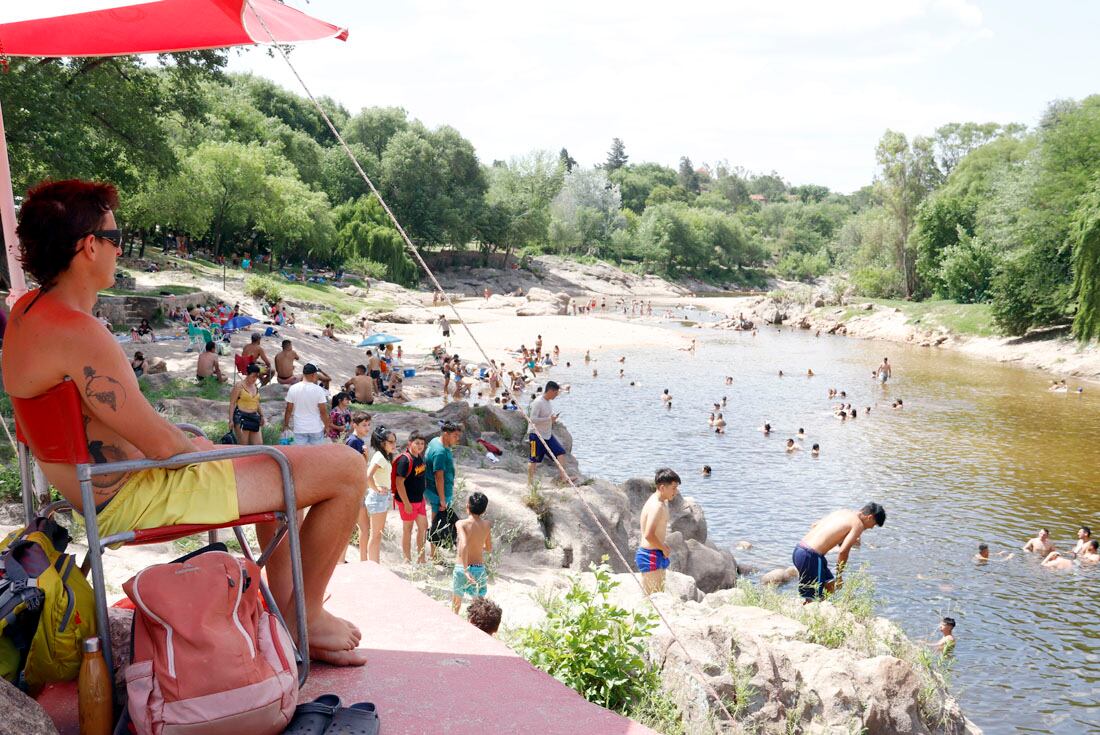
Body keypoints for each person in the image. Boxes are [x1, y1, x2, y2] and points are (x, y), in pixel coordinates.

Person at [3, 179, 367, 666]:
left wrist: (188, 441)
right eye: (115, 237)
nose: (118, 248)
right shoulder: (79, 334)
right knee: (343, 467)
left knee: (283, 473)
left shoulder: (26, 311)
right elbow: (161, 446)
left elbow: (127, 426)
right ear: (89, 247)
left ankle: (290, 607)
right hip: (132, 495)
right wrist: (207, 449)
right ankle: (308, 617)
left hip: (91, 490)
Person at [793, 503, 886, 601]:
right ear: (870, 517)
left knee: (830, 585)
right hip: (810, 556)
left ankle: (823, 606)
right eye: (874, 524)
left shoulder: (843, 512)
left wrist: (838, 539)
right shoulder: (858, 524)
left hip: (800, 550)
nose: (871, 528)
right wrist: (839, 576)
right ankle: (811, 609)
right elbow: (843, 551)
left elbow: (814, 525)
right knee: (812, 598)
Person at [636, 468, 681, 595]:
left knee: (658, 594)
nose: (676, 492)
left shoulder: (661, 501)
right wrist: (664, 548)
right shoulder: (657, 506)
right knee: (653, 598)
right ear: (662, 488)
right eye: (673, 488)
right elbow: (649, 535)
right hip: (649, 555)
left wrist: (662, 547)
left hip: (655, 552)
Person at [425, 421, 463, 559]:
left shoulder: (435, 441)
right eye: (455, 435)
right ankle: (434, 555)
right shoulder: (440, 452)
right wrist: (442, 499)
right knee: (436, 522)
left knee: (442, 520)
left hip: (435, 490)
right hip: (438, 493)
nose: (457, 438)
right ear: (446, 434)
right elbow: (438, 477)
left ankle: (439, 551)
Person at [452, 491, 492, 613]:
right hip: (479, 569)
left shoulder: (461, 523)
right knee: (478, 606)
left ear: (467, 506)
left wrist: (465, 570)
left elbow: (464, 544)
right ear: (484, 511)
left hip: (461, 568)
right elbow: (489, 548)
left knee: (456, 604)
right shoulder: (487, 525)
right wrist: (478, 546)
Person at [359, 425, 394, 564]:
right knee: (375, 535)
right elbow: (368, 476)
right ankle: (374, 565)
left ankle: (373, 564)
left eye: (394, 441)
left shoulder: (383, 456)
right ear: (382, 443)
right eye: (390, 441)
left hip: (380, 498)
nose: (394, 444)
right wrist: (377, 489)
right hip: (378, 498)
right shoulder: (380, 457)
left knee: (376, 535)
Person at [394, 431, 429, 563]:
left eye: (422, 443)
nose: (420, 446)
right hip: (408, 502)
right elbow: (399, 482)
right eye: (417, 443)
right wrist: (406, 503)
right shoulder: (405, 460)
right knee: (407, 529)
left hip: (420, 500)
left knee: (423, 527)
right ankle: (407, 559)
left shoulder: (419, 457)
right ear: (410, 443)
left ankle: (421, 558)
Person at [527, 380, 570, 485]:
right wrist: (548, 419)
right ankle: (530, 483)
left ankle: (564, 477)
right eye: (556, 393)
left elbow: (547, 419)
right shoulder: (538, 402)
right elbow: (532, 419)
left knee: (560, 453)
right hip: (535, 435)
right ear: (550, 391)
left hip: (547, 435)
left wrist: (552, 419)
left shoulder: (548, 402)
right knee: (533, 460)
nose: (556, 395)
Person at [283, 364, 331, 446]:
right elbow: (323, 411)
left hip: (299, 428)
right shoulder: (319, 390)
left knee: (300, 456)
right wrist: (327, 426)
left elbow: (288, 410)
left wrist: (286, 425)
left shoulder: (293, 388)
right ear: (314, 375)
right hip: (316, 428)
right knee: (315, 455)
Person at [229, 364, 265, 445]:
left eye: (257, 377)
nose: (255, 379)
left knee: (259, 445)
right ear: (247, 374)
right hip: (241, 417)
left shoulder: (255, 386)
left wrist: (262, 415)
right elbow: (232, 403)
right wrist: (230, 420)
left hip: (254, 416)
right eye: (253, 376)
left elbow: (256, 402)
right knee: (243, 445)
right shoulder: (239, 386)